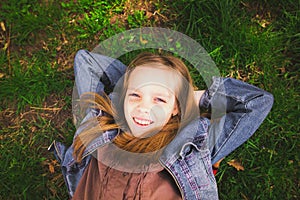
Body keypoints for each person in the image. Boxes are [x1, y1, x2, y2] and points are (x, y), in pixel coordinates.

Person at [49, 49, 274, 199]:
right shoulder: (102, 124)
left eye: (160, 99)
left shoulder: (192, 143)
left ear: (176, 107)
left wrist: (190, 96)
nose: (144, 108)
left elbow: (257, 102)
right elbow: (85, 60)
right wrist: (135, 82)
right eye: (135, 96)